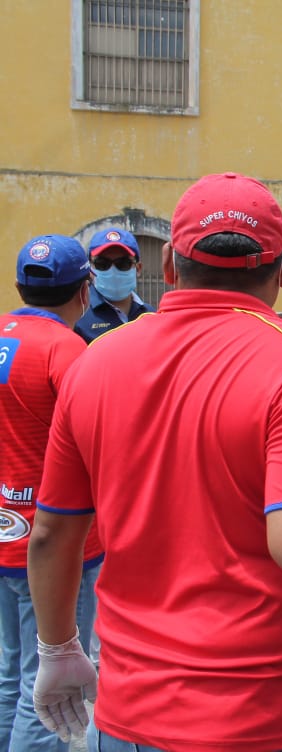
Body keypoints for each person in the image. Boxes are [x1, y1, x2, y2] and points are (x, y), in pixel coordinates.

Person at [27, 172, 282, 751]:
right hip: (259, 717)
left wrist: (58, 647)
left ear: (168, 264)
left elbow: (51, 534)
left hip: (126, 713)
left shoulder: (97, 360)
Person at [0, 235, 102, 752]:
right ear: (85, 290)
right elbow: (94, 443)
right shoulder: (67, 349)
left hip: (5, 532)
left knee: (10, 673)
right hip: (57, 542)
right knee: (50, 690)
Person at [75, 227, 155, 343]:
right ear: (90, 270)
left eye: (123, 263)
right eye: (102, 264)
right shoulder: (78, 316)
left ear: (138, 268)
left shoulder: (151, 315)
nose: (113, 270)